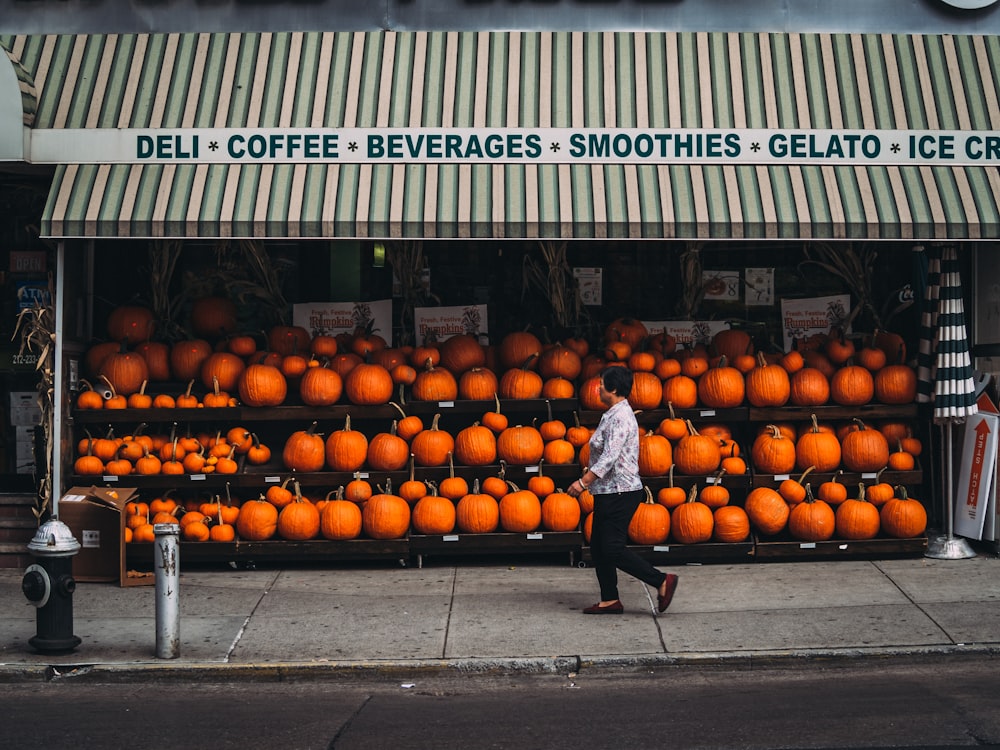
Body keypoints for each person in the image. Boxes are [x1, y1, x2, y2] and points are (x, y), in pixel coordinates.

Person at [567, 366, 679, 615]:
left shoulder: (620, 417)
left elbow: (609, 457)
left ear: (614, 389)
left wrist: (583, 482)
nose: (597, 388)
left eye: (602, 384)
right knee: (598, 546)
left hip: (621, 491)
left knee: (611, 548)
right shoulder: (612, 413)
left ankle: (661, 580)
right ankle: (609, 599)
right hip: (609, 491)